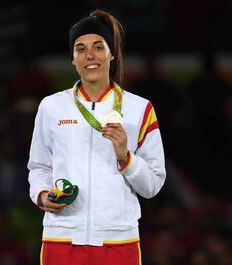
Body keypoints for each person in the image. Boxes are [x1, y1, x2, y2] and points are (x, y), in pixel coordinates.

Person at [27, 9, 166, 265]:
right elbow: (39, 167)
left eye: (98, 47)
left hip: (118, 242)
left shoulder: (139, 109)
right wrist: (43, 195)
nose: (89, 55)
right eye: (80, 49)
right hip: (62, 240)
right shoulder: (51, 107)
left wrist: (126, 157)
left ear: (112, 54)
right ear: (72, 59)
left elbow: (153, 185)